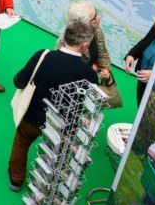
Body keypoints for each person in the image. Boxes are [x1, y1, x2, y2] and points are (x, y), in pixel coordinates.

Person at [8, 21, 98, 192]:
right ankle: (45, 188)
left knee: (21, 144)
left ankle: (16, 180)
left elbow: (19, 82)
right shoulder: (89, 74)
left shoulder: (43, 55)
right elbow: (90, 103)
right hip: (63, 127)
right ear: (85, 45)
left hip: (32, 117)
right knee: (56, 157)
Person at [55, 1, 112, 84]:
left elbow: (103, 51)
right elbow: (61, 67)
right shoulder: (65, 40)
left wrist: (104, 69)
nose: (98, 18)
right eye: (94, 17)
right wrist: (88, 71)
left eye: (96, 13)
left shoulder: (97, 28)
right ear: (84, 24)